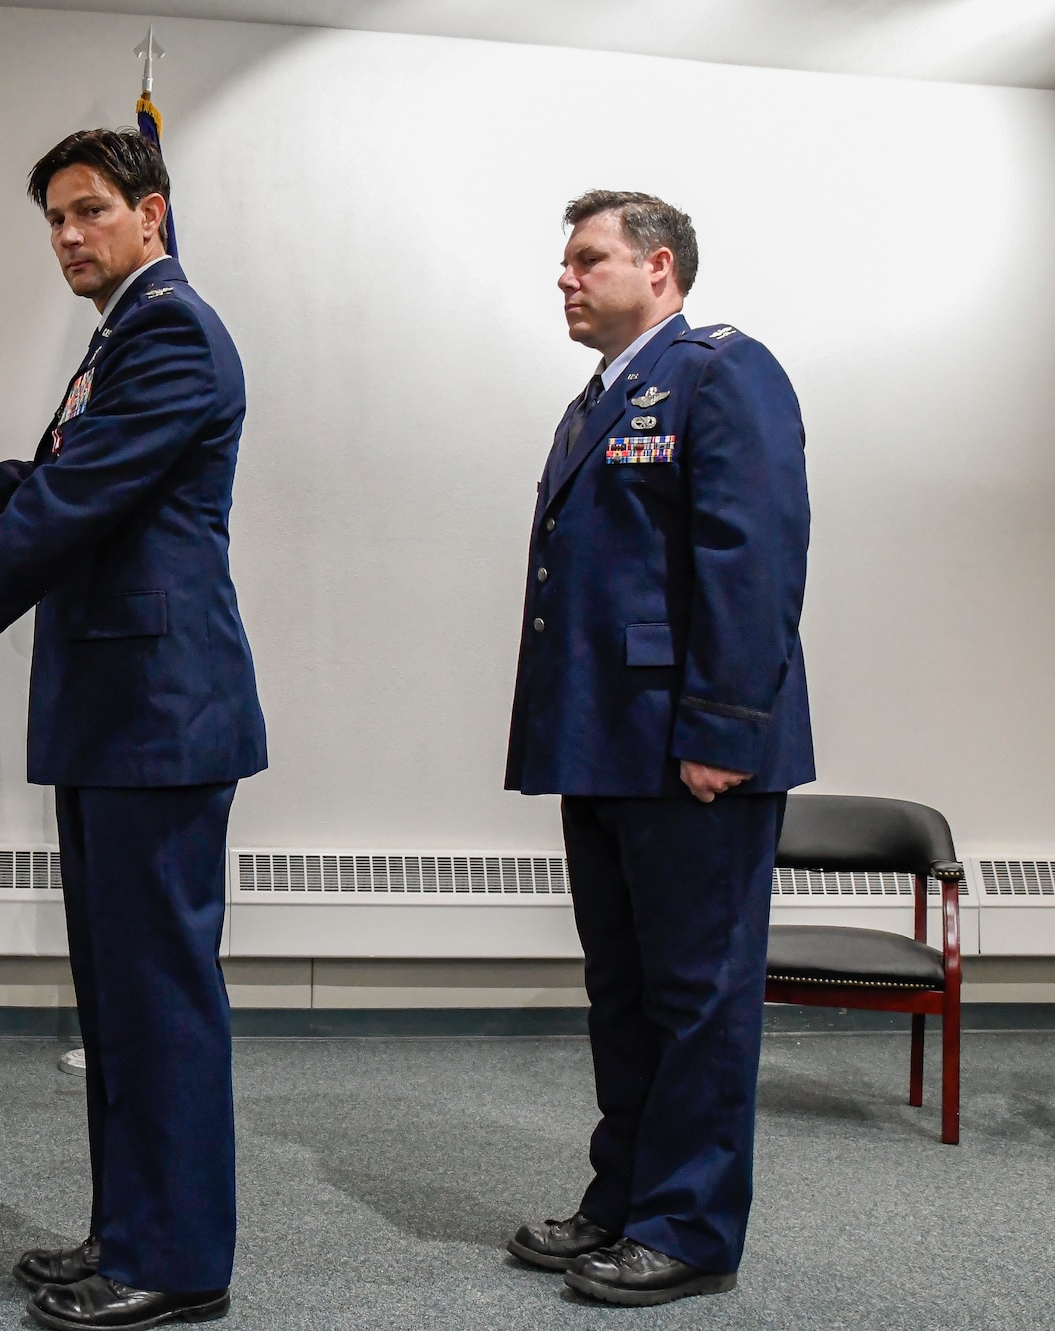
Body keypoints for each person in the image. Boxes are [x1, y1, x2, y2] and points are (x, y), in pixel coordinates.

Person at [0, 129, 264, 1331]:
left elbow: (69, 508)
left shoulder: (170, 331)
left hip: (160, 714)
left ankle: (175, 1260)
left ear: (150, 212)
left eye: (88, 211)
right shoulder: (121, 336)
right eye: (54, 220)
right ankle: (127, 1228)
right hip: (116, 714)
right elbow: (40, 483)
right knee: (120, 994)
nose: (69, 236)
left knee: (158, 995)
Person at [502, 191, 813, 1307]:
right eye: (565, 260)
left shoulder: (722, 372)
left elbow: (753, 558)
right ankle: (623, 1197)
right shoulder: (599, 400)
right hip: (602, 741)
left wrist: (725, 727)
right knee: (622, 991)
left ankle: (686, 1227)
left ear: (660, 268)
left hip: (691, 745)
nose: (565, 277)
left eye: (587, 259)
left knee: (696, 996)